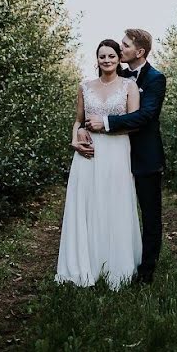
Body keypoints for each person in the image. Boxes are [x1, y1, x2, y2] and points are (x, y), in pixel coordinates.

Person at [81, 28, 167, 284]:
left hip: (144, 156)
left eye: (125, 45)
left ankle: (146, 271)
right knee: (111, 208)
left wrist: (105, 123)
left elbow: (146, 115)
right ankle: (110, 260)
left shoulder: (155, 79)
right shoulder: (116, 73)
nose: (120, 49)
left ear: (139, 52)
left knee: (150, 215)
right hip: (113, 155)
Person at [55, 39, 142, 289]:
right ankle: (87, 263)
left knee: (114, 203)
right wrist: (75, 139)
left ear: (118, 59)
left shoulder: (129, 86)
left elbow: (134, 123)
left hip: (116, 150)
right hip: (88, 153)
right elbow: (78, 120)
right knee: (88, 203)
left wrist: (104, 125)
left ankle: (117, 265)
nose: (107, 60)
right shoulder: (85, 86)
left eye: (112, 56)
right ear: (97, 59)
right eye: (102, 56)